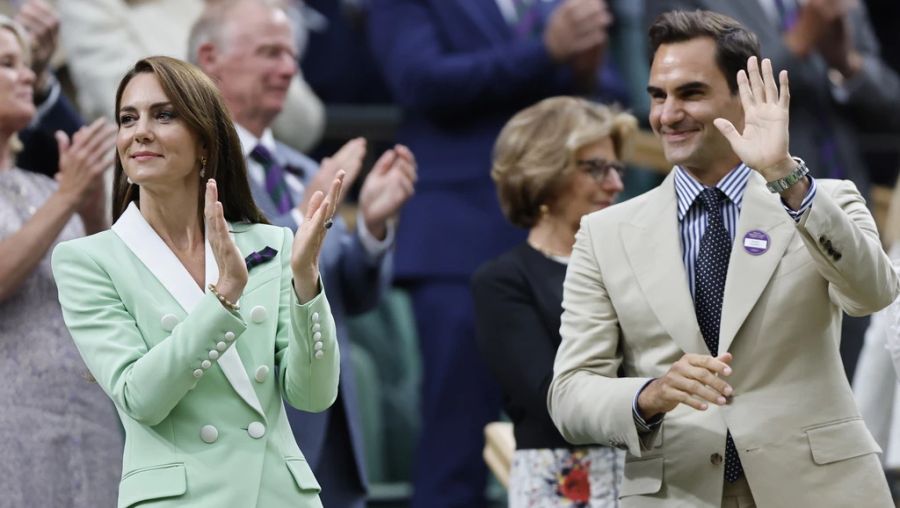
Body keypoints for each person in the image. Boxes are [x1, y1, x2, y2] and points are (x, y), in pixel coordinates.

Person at [548, 10, 898, 506]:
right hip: (677, 490)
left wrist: (784, 176)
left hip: (820, 489)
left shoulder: (825, 199)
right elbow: (570, 394)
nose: (667, 114)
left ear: (745, 99)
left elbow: (873, 294)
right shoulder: (605, 234)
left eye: (690, 93)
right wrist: (651, 393)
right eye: (657, 96)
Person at [52, 55, 343, 507]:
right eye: (128, 119)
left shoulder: (273, 243)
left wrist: (306, 280)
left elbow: (313, 395)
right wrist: (222, 298)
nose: (139, 131)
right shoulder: (87, 260)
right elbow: (140, 397)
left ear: (205, 142)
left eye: (163, 115)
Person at [367, 1, 627, 504]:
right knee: (457, 436)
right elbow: (421, 81)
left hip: (564, 241)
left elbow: (607, 101)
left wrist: (585, 69)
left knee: (580, 435)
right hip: (457, 243)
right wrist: (544, 52)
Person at [190, 2, 416, 506]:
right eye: (269, 53)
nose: (289, 68)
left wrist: (374, 227)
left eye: (292, 54)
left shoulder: (301, 169)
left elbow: (352, 297)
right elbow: (219, 289)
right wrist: (302, 223)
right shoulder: (190, 172)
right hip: (248, 442)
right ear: (211, 58)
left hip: (331, 440)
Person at [472, 97, 635, 506]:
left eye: (616, 168)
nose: (614, 183)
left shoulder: (636, 265)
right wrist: (652, 393)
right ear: (546, 172)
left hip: (650, 478)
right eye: (595, 168)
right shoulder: (503, 281)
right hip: (562, 487)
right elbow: (553, 400)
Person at [0, 14, 122, 507]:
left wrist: (94, 215)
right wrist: (70, 197)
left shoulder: (52, 188)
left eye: (27, 64)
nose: (28, 74)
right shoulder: (61, 192)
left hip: (87, 417)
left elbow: (117, 301)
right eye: (8, 64)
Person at [58, 0, 324, 153]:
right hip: (148, 197)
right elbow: (127, 103)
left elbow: (304, 127)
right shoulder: (94, 6)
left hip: (261, 182)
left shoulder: (238, 7)